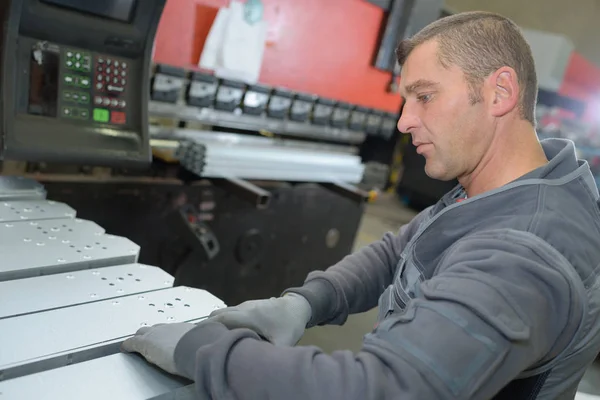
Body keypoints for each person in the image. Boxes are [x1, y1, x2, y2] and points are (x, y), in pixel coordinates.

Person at [122, 11, 600, 399]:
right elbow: (400, 250)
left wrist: (202, 351)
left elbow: (382, 389)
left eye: (425, 97)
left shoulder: (524, 255)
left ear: (500, 92)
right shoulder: (509, 185)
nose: (404, 121)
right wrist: (306, 302)